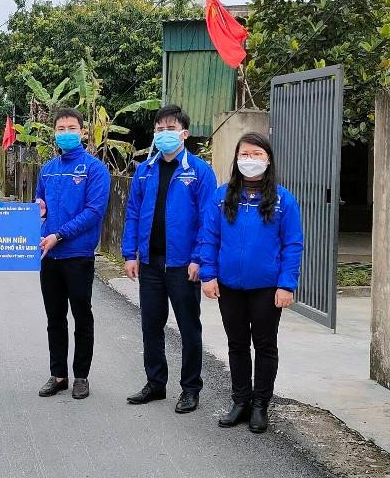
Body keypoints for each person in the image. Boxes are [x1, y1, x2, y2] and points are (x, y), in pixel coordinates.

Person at [200, 132, 303, 433]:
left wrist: (287, 284)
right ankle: (240, 402)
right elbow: (210, 238)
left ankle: (260, 405)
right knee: (236, 344)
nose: (250, 160)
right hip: (229, 286)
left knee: (265, 345)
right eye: (244, 154)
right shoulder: (222, 196)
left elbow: (293, 244)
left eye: (256, 154)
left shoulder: (284, 200)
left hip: (267, 288)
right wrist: (208, 275)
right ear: (236, 159)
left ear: (268, 159)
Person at [121, 104, 216, 413]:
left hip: (183, 264)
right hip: (149, 263)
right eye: (159, 129)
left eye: (170, 128)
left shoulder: (199, 171)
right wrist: (129, 254)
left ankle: (190, 388)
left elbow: (208, 219)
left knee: (189, 328)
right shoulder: (145, 170)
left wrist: (199, 258)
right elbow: (133, 213)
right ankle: (156, 383)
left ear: (184, 134)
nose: (164, 134)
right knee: (151, 324)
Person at [34, 108, 110, 400]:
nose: (66, 133)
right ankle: (58, 375)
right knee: (55, 318)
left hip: (77, 256)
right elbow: (38, 204)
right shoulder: (48, 169)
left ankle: (81, 376)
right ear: (54, 133)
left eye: (71, 128)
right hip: (49, 257)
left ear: (82, 132)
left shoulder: (94, 169)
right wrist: (39, 209)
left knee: (81, 316)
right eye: (61, 128)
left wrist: (59, 235)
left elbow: (94, 212)